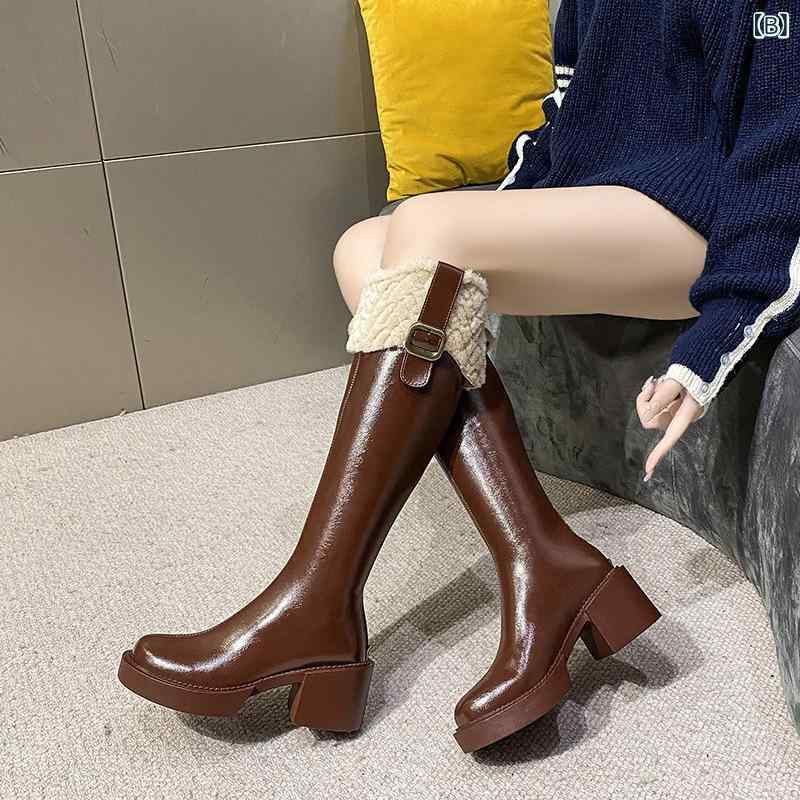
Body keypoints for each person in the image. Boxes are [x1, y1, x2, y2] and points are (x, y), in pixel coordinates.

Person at [117, 0, 800, 753]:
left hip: (701, 220)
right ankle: (543, 559)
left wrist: (717, 339)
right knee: (365, 249)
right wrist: (503, 214)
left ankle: (317, 600)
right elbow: (570, 110)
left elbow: (783, 152)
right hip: (612, 201)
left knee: (427, 231)